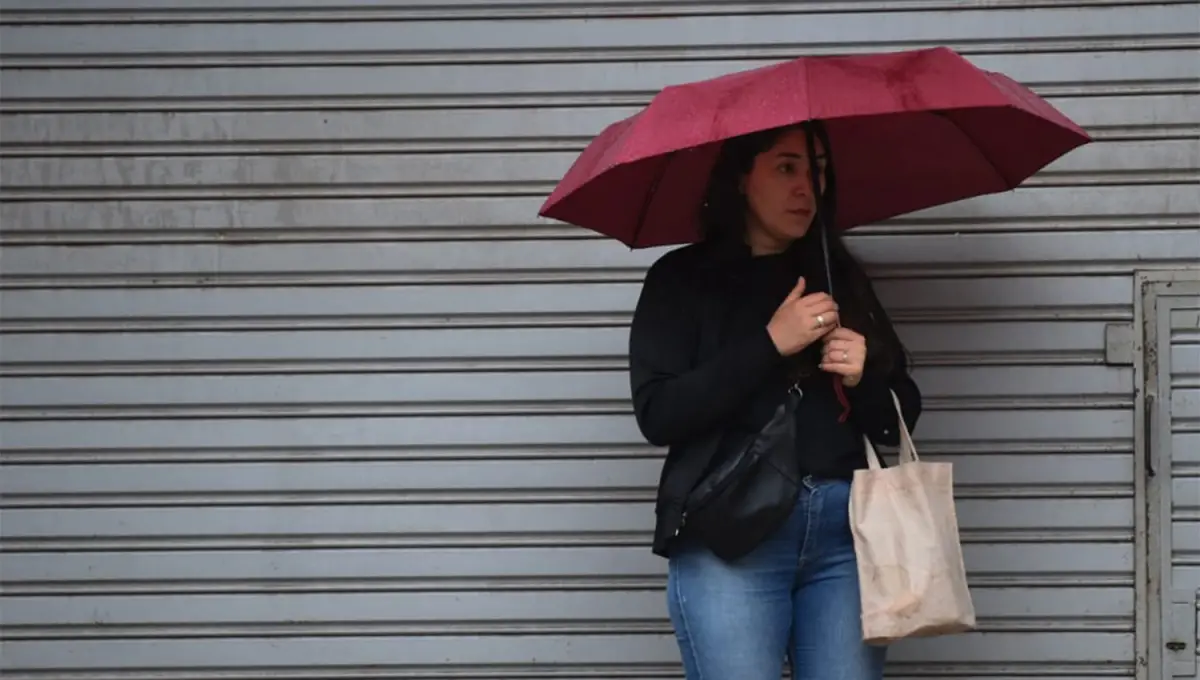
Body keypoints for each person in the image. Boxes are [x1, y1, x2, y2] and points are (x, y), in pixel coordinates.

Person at [626, 120, 922, 680]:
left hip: (845, 538)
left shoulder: (839, 277)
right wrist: (770, 342)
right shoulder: (683, 280)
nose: (806, 188)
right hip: (730, 536)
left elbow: (899, 416)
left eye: (818, 171)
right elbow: (659, 412)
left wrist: (864, 377)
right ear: (741, 179)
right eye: (786, 168)